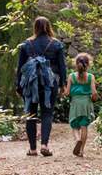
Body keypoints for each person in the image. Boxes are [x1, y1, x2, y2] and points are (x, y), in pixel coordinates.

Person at [16, 16, 66, 157]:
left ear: (35, 27)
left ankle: (32, 149)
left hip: (31, 83)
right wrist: (63, 84)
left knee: (31, 114)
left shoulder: (26, 44)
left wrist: (18, 86)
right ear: (49, 27)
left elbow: (20, 67)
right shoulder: (56, 44)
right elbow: (62, 66)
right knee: (47, 113)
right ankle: (44, 144)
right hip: (50, 83)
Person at [63, 52, 98, 157]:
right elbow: (94, 93)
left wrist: (63, 89)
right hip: (86, 103)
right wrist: (93, 98)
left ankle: (77, 139)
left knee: (74, 125)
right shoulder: (91, 77)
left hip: (75, 103)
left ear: (76, 64)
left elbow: (67, 93)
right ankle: (82, 151)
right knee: (84, 126)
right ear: (88, 64)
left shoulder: (71, 76)